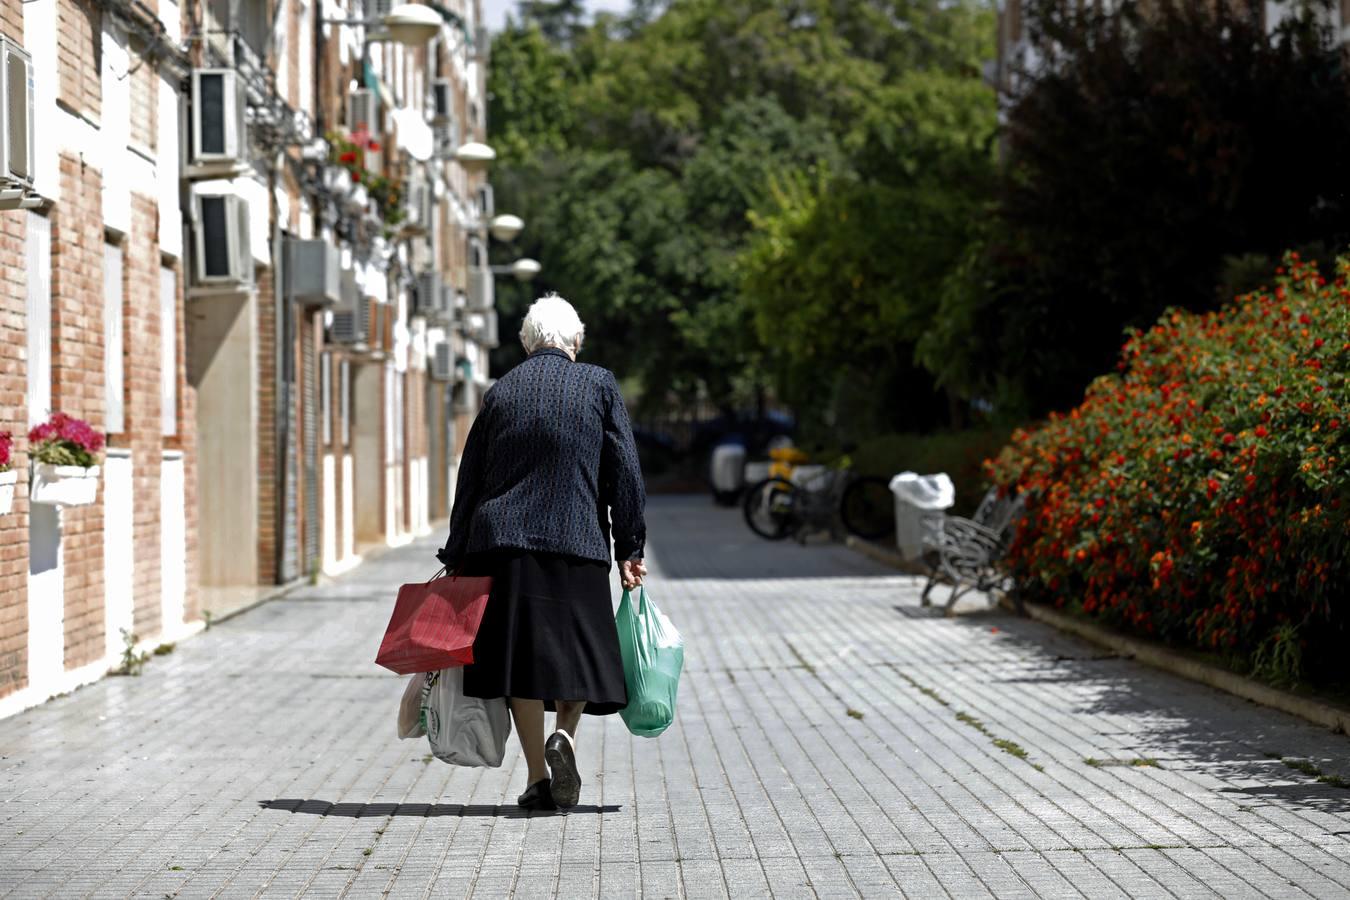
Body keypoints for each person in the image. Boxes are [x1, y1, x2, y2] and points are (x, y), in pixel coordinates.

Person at [436, 293, 648, 811]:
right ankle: (566, 738)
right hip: (576, 539)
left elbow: (471, 477)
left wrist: (456, 551)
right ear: (576, 340)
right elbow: (626, 471)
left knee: (518, 666)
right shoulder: (598, 383)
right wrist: (631, 546)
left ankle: (536, 779)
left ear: (527, 342)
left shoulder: (501, 391)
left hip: (502, 544)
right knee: (575, 655)